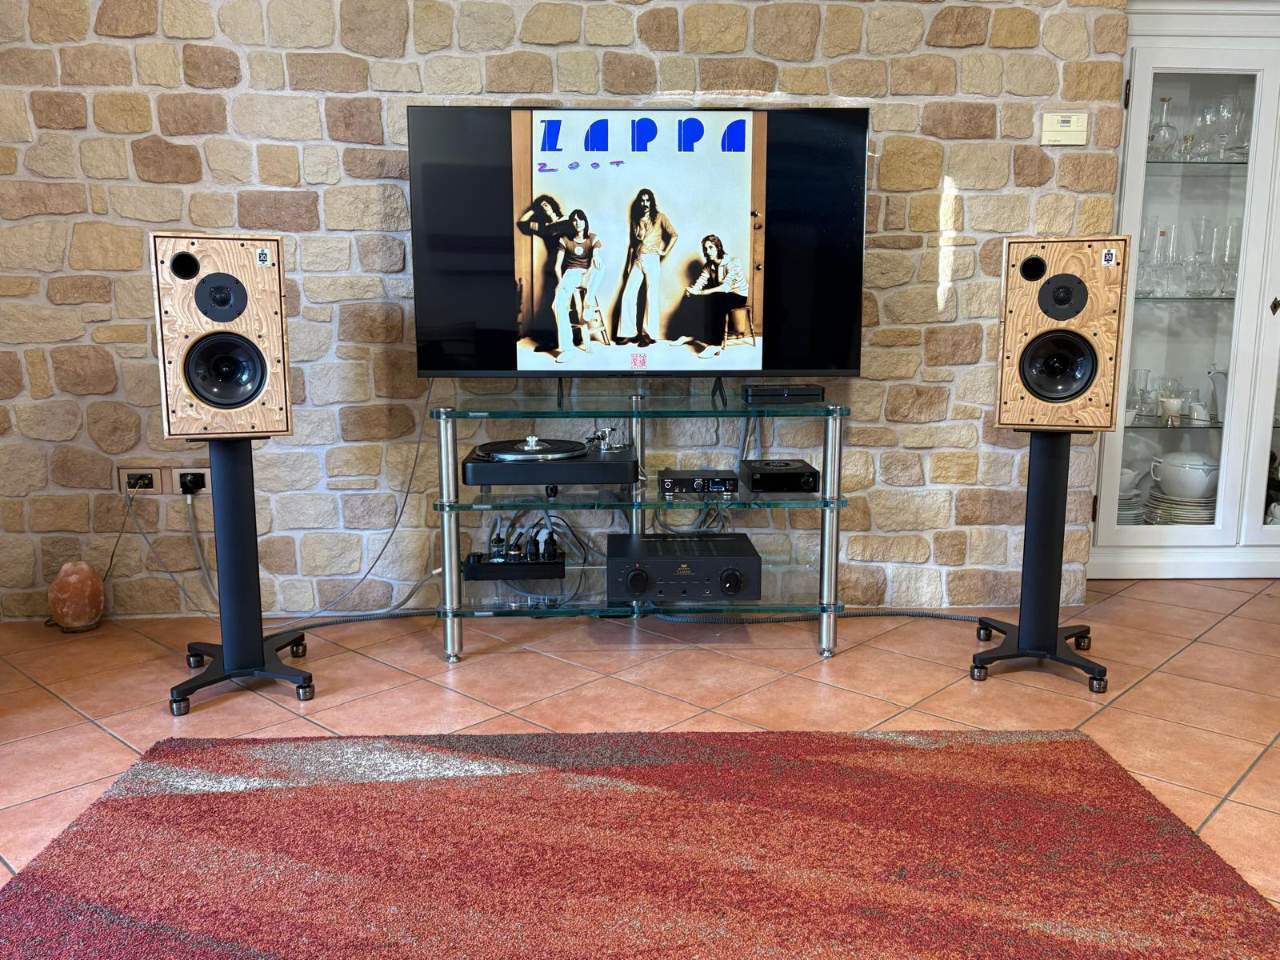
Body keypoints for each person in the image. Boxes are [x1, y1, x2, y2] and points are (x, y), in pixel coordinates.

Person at [617, 188, 678, 346]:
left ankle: (647, 335)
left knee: (651, 296)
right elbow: (633, 244)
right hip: (638, 259)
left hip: (652, 259)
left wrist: (664, 251)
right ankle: (628, 333)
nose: (645, 203)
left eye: (647, 200)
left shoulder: (660, 217)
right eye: (642, 200)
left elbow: (674, 234)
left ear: (651, 201)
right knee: (628, 294)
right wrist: (628, 265)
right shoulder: (636, 219)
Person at [684, 234, 749, 358]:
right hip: (722, 295)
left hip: (738, 295)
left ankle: (715, 344)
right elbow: (701, 282)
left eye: (711, 247)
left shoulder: (733, 262)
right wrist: (691, 291)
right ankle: (692, 334)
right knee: (698, 297)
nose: (708, 251)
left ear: (718, 247)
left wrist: (702, 292)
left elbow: (725, 287)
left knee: (716, 298)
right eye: (705, 248)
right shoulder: (708, 266)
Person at [551, 209, 603, 362]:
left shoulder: (592, 238)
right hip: (571, 274)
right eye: (574, 220)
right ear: (571, 223)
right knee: (557, 304)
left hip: (587, 274)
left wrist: (596, 256)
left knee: (601, 265)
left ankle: (588, 302)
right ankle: (567, 349)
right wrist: (560, 283)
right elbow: (557, 266)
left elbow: (596, 252)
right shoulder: (565, 240)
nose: (578, 222)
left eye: (580, 219)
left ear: (585, 221)